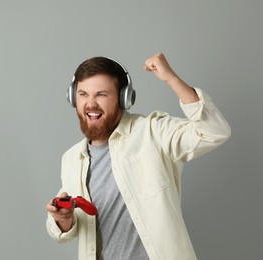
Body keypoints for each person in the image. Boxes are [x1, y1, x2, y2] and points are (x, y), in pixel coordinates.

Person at [46, 52, 231, 260]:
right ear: (72, 97)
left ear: (124, 98)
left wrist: (171, 78)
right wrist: (63, 218)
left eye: (101, 94)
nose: (91, 104)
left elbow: (214, 131)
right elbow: (67, 231)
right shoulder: (72, 159)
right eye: (83, 94)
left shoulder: (152, 133)